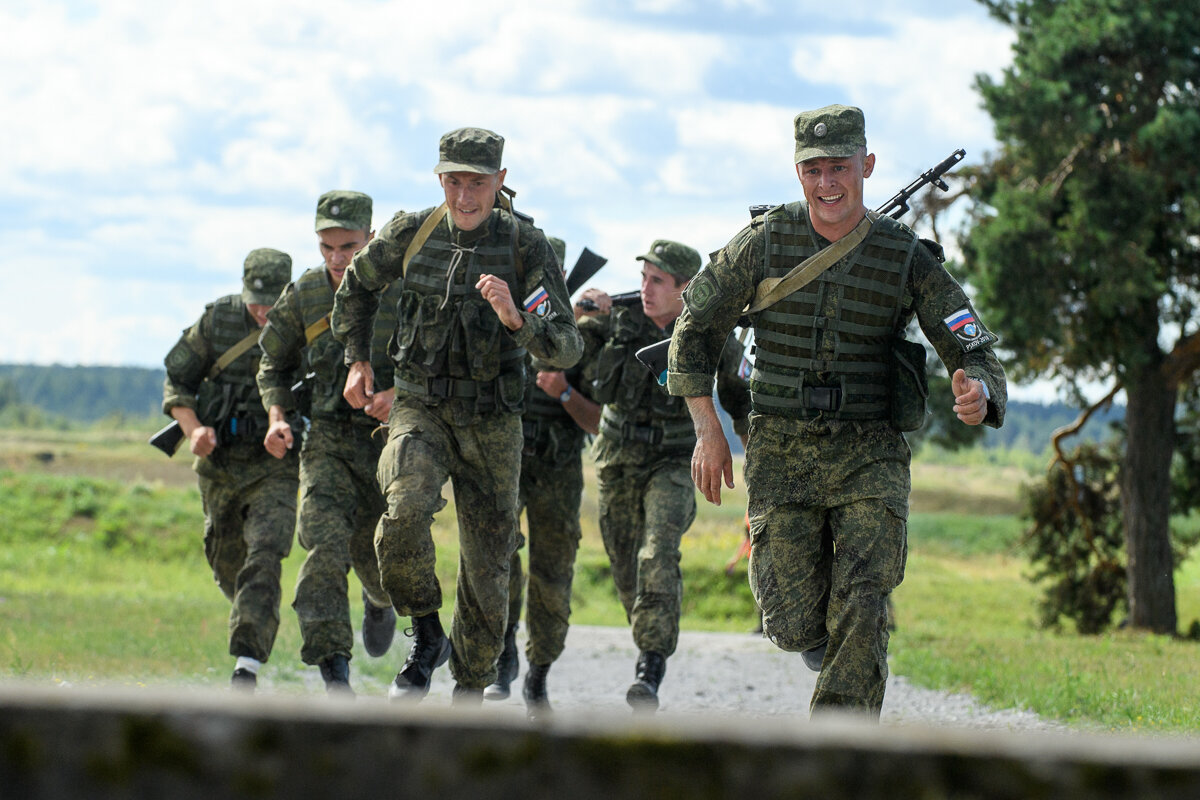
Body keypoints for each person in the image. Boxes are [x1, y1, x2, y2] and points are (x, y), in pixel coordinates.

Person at [668, 104, 1007, 718]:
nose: (828, 183)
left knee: (864, 597)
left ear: (867, 166)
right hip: (780, 451)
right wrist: (707, 430)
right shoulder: (762, 244)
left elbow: (972, 344)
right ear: (798, 173)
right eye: (814, 169)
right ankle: (831, 647)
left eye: (841, 168)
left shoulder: (905, 256)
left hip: (869, 453)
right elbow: (692, 329)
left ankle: (840, 753)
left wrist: (979, 391)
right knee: (792, 622)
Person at [331, 127, 583, 704]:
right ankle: (424, 634)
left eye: (477, 183)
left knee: (489, 566)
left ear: (499, 182)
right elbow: (356, 289)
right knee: (401, 513)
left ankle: (469, 688)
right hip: (420, 406)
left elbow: (567, 347)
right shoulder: (409, 235)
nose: (465, 197)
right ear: (439, 180)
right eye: (453, 182)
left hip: (494, 419)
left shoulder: (525, 247)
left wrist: (518, 320)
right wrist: (356, 360)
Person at [579, 240, 750, 712]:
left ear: (685, 288)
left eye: (658, 280)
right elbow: (562, 354)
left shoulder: (711, 331)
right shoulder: (616, 319)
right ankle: (647, 636)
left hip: (675, 459)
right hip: (616, 455)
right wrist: (580, 311)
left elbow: (740, 398)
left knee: (659, 550)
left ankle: (649, 668)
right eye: (644, 278)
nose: (646, 289)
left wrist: (758, 457)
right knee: (624, 563)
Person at [257, 191, 402, 695]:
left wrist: (398, 394)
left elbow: (443, 360)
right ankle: (334, 676)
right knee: (321, 548)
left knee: (382, 559)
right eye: (327, 247)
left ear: (372, 237)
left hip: (394, 442)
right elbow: (272, 364)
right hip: (328, 443)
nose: (337, 259)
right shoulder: (305, 295)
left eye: (349, 246)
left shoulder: (403, 289)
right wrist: (278, 417)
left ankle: (380, 602)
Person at [162, 247, 298, 691]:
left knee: (265, 555)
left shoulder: (304, 321)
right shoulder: (217, 320)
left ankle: (246, 665)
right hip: (220, 463)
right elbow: (177, 379)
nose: (262, 311)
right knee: (228, 564)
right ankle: (248, 617)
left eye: (271, 302)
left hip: (274, 463)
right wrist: (194, 429)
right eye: (255, 301)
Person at [483, 237, 602, 717]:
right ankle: (504, 652)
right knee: (498, 560)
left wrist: (564, 391)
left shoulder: (582, 338)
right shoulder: (491, 327)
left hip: (557, 470)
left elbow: (596, 422)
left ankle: (538, 674)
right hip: (504, 463)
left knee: (553, 573)